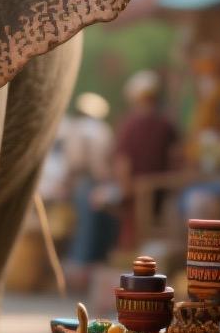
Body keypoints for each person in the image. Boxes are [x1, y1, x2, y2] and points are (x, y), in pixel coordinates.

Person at [114, 70, 180, 249]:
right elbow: (176, 158)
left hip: (138, 194)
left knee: (133, 238)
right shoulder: (166, 124)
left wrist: (126, 192)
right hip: (161, 192)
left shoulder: (129, 125)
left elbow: (123, 163)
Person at [62, 91, 120, 266]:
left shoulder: (75, 128)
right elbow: (107, 159)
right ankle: (92, 261)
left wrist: (66, 182)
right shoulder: (102, 129)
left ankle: (79, 262)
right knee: (95, 224)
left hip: (83, 180)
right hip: (100, 182)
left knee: (83, 224)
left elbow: (74, 161)